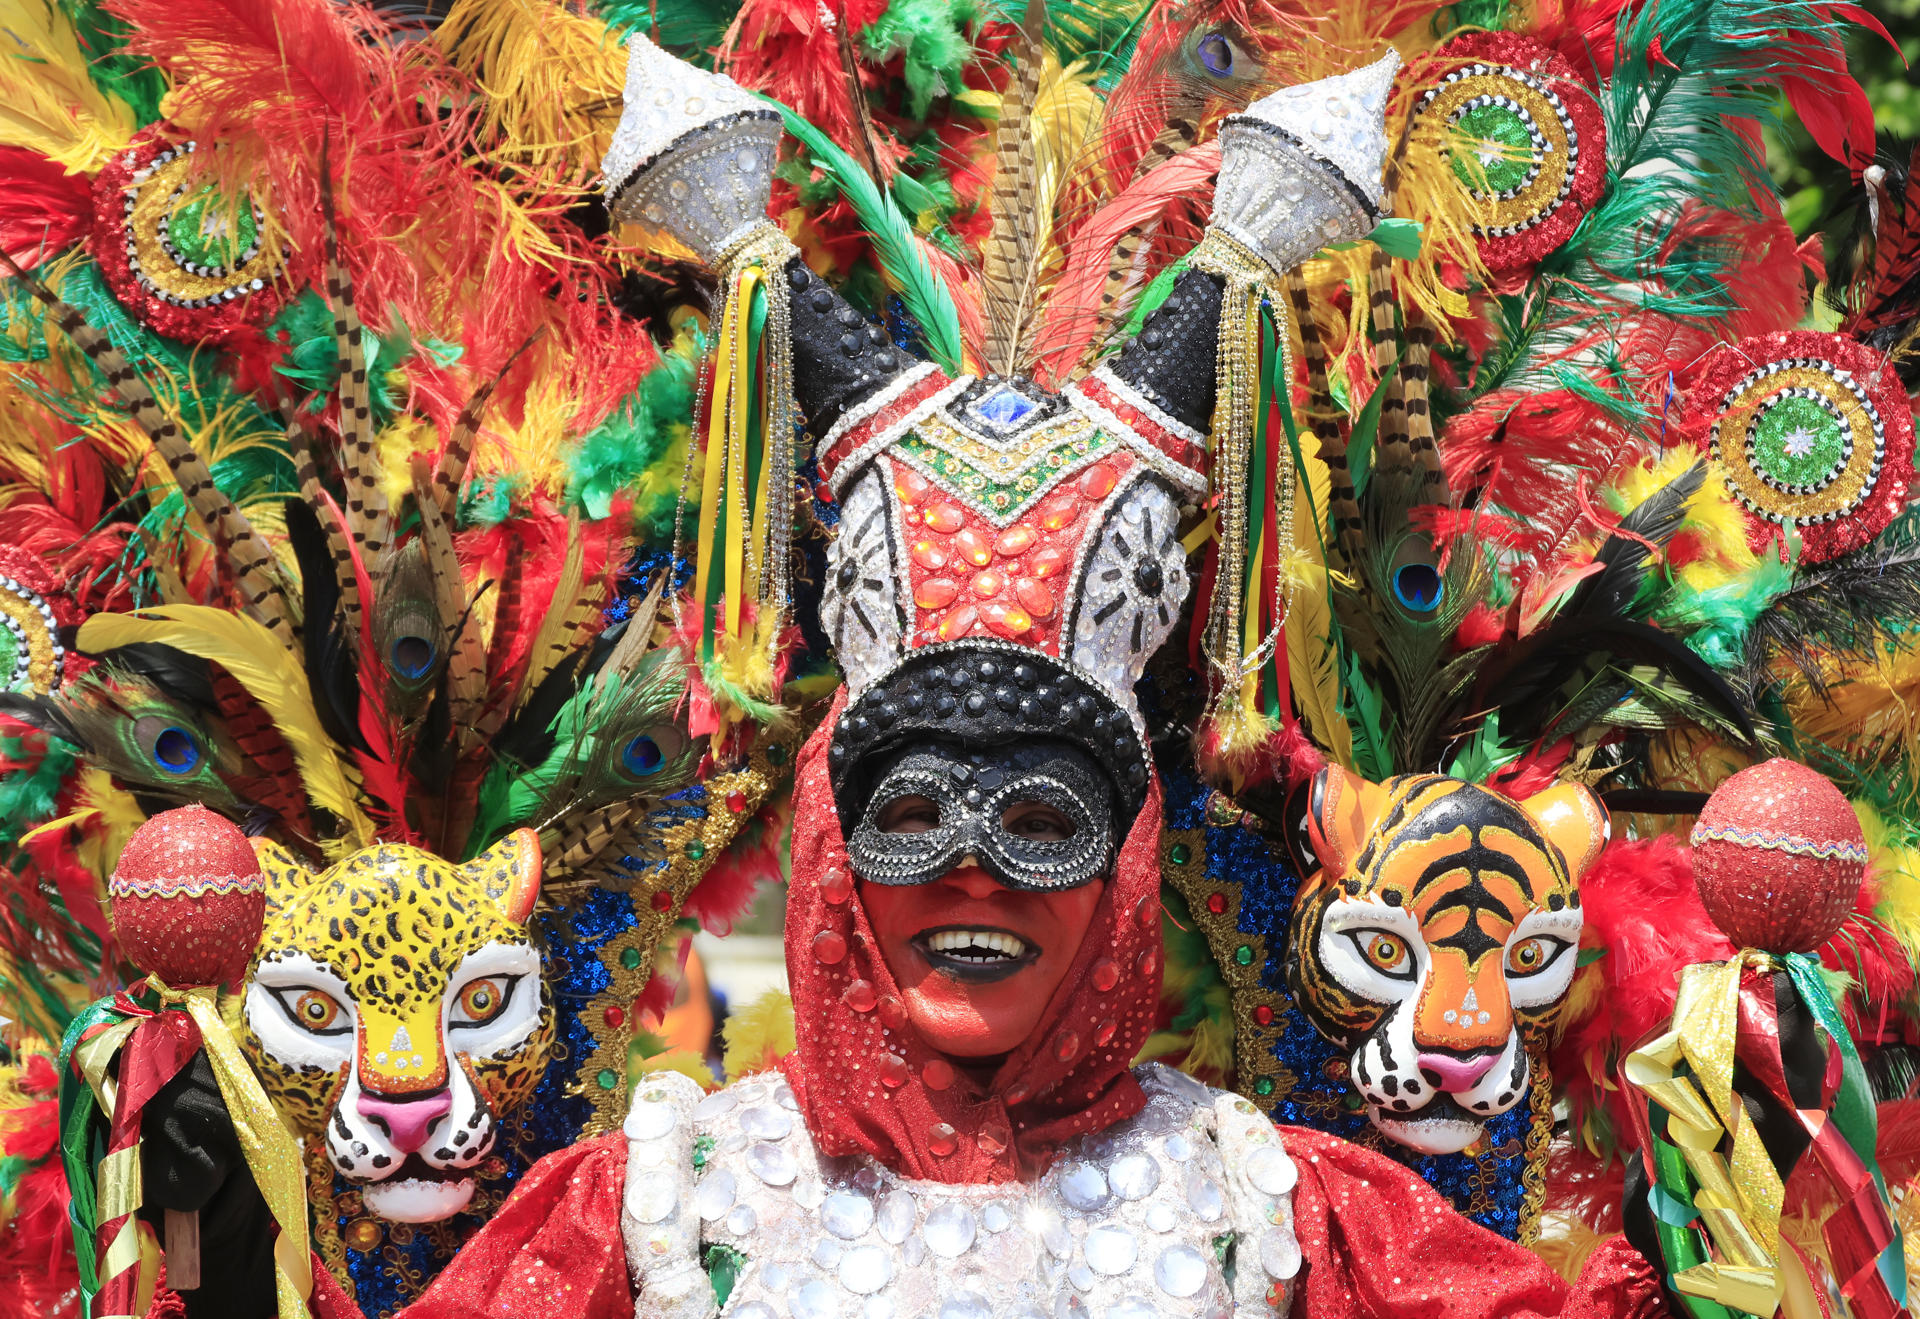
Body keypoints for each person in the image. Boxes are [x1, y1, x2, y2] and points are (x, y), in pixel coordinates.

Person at [378, 36, 1671, 1319]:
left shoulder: (1278, 1216)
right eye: (913, 815)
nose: (972, 869)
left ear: (1125, 856)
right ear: (838, 837)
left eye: (1045, 821)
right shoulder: (652, 1214)